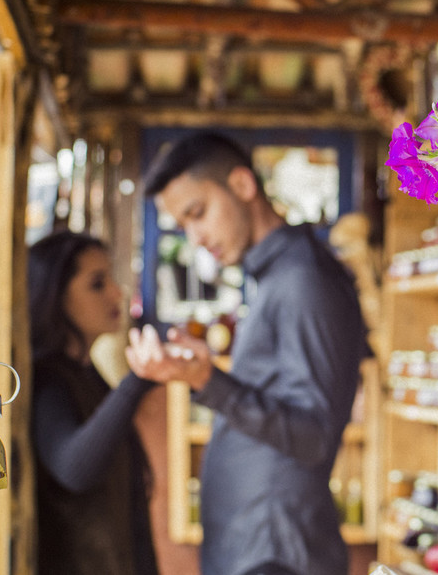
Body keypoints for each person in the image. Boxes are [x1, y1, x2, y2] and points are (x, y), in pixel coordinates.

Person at [126, 134, 368, 575]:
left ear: (241, 184)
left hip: (278, 550)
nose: (195, 237)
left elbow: (313, 435)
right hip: (255, 547)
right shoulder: (270, 275)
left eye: (198, 213)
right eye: (183, 225)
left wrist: (207, 381)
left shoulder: (303, 279)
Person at [28, 231, 158, 575]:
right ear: (56, 295)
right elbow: (74, 469)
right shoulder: (47, 380)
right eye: (97, 283)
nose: (116, 292)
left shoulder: (86, 373)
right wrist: (138, 381)